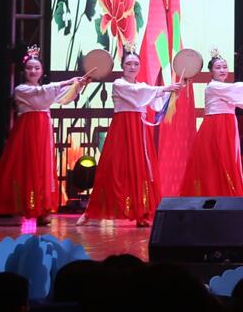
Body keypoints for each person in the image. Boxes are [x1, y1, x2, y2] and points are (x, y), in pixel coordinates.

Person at [0, 46, 84, 225]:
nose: (33, 71)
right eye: (29, 68)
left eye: (36, 68)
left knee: (42, 169)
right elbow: (42, 93)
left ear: (42, 71)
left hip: (43, 131)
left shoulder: (46, 90)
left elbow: (62, 97)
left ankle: (41, 210)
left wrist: (78, 85)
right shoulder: (21, 89)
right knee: (12, 168)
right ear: (24, 71)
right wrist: (67, 81)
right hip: (25, 132)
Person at [140, 0, 198, 205]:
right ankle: (154, 192)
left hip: (172, 32)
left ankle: (178, 189)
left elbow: (172, 2)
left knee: (178, 114)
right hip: (159, 34)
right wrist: (165, 61)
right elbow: (157, 2)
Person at [78, 45, 182, 227]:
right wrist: (165, 88)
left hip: (139, 131)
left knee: (141, 170)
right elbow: (139, 94)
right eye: (128, 64)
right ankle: (91, 212)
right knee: (113, 170)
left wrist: (173, 93)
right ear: (122, 66)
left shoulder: (143, 86)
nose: (132, 67)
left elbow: (156, 104)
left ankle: (141, 213)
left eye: (136, 64)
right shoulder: (119, 84)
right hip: (122, 129)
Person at [179, 50, 243, 197]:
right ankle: (213, 195)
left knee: (228, 161)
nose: (222, 70)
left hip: (228, 125)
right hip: (216, 127)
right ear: (211, 71)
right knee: (216, 162)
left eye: (224, 67)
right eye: (218, 67)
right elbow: (239, 89)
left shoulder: (224, 89)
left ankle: (226, 195)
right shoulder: (214, 87)